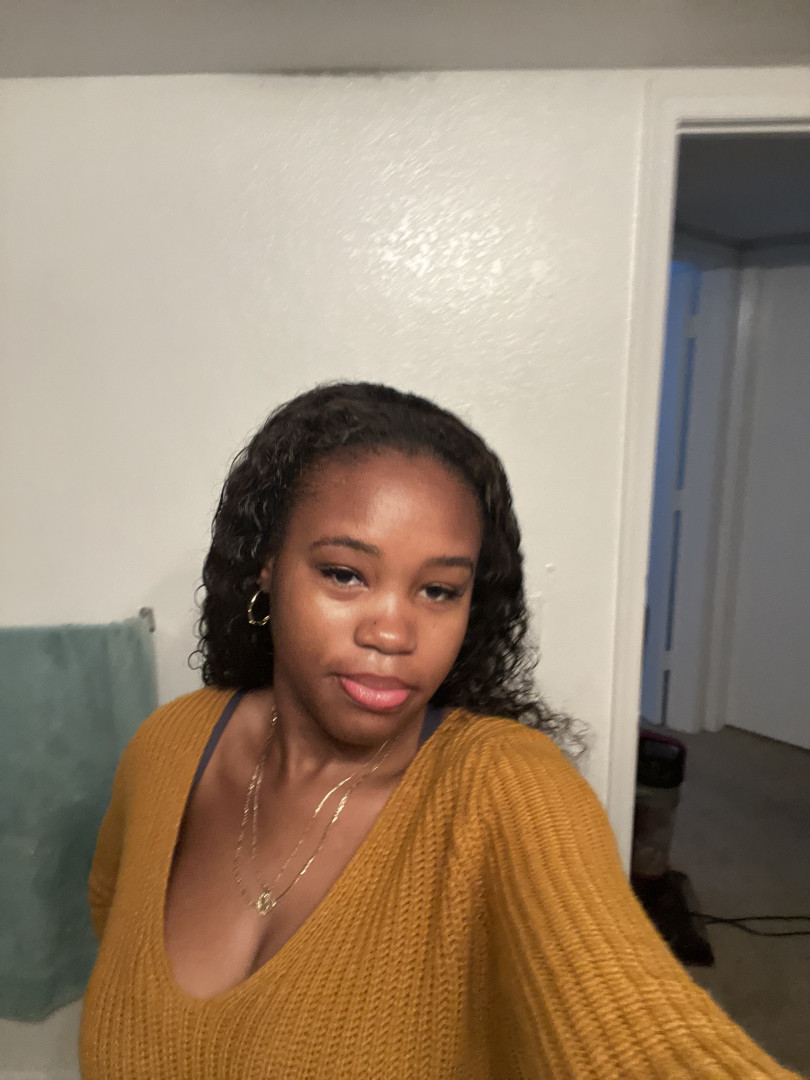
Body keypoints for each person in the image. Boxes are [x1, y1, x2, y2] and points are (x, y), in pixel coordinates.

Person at [79, 383, 798, 1079]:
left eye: (437, 590)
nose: (394, 633)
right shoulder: (169, 745)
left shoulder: (506, 788)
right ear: (267, 568)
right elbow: (111, 911)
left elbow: (644, 1033)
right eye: (345, 574)